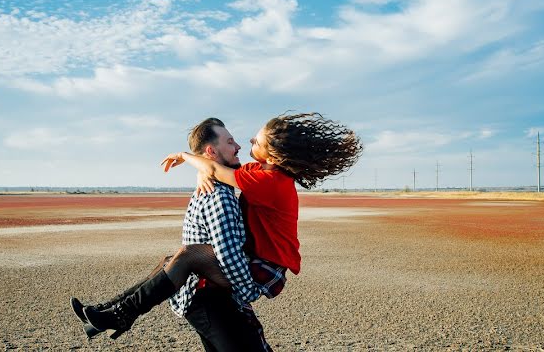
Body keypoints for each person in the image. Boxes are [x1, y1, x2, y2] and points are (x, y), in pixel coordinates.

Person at [71, 114, 362, 350]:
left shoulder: (270, 181)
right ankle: (108, 313)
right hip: (254, 265)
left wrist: (187, 158)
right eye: (233, 140)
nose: (246, 141)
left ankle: (120, 316)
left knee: (187, 256)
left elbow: (216, 171)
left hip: (265, 267)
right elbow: (213, 169)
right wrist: (202, 168)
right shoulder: (262, 173)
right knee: (170, 259)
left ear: (272, 152)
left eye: (255, 139)